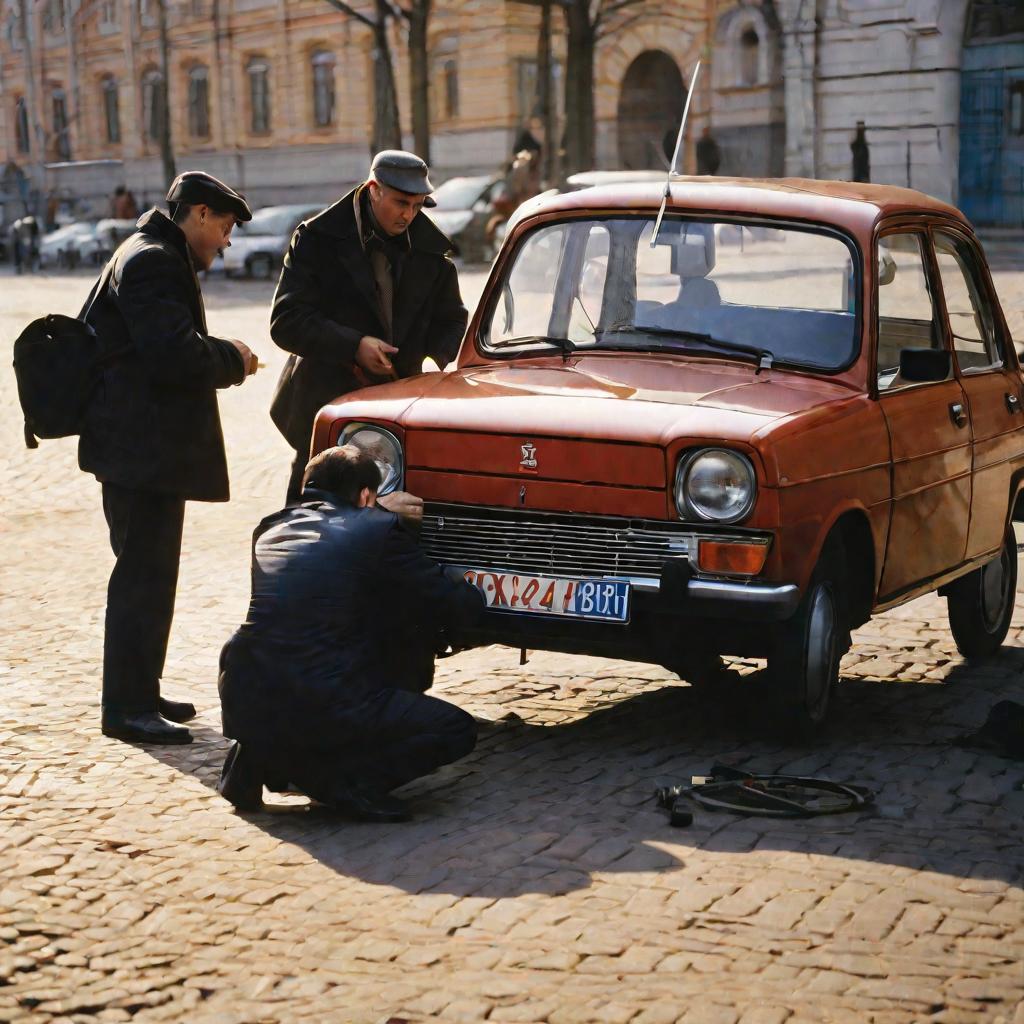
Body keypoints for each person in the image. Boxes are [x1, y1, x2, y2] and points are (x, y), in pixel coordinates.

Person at [80, 170, 260, 745]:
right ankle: (126, 707)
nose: (227, 240)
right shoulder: (154, 259)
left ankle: (141, 690)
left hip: (142, 449)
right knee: (141, 577)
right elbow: (170, 355)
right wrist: (232, 357)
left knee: (153, 576)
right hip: (139, 452)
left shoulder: (152, 251)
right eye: (226, 226)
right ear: (200, 214)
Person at [217, 444, 485, 820]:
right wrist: (474, 589)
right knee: (455, 729)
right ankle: (345, 784)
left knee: (295, 649)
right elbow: (451, 601)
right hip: (324, 697)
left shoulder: (269, 527)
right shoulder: (378, 529)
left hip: (244, 690)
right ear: (365, 495)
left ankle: (253, 761)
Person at [270, 150, 468, 505]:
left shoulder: (432, 252)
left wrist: (430, 362)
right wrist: (354, 345)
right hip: (327, 410)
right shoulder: (317, 239)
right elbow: (286, 321)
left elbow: (452, 319)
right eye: (401, 203)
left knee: (396, 526)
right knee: (311, 526)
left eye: (418, 205)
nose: (409, 215)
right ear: (373, 189)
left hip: (401, 414)